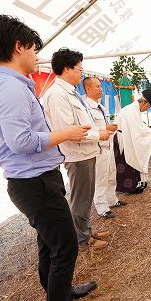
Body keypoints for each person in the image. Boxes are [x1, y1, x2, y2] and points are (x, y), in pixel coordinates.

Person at [0, 15, 103, 301]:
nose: (37, 56)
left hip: (36, 179)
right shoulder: (9, 87)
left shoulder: (11, 84)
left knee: (50, 244)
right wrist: (65, 134)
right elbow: (21, 141)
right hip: (33, 181)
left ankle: (58, 293)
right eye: (34, 49)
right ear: (18, 46)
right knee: (64, 246)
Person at [43, 48, 110, 251]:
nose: (82, 74)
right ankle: (82, 238)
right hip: (77, 155)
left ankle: (86, 230)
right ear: (66, 68)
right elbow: (68, 131)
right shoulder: (56, 95)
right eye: (79, 69)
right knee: (80, 198)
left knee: (86, 196)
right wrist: (99, 135)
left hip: (87, 152)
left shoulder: (69, 92)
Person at [83, 77, 126, 219]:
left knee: (111, 175)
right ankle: (102, 208)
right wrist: (105, 128)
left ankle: (112, 200)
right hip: (98, 147)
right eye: (97, 87)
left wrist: (111, 127)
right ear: (88, 89)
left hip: (108, 145)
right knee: (100, 178)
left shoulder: (100, 106)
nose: (100, 89)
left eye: (101, 86)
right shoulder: (85, 107)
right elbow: (89, 129)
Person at [115, 89, 151, 193]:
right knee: (129, 161)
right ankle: (131, 187)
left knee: (132, 159)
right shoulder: (132, 111)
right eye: (148, 106)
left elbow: (139, 127)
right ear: (143, 102)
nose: (147, 109)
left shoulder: (134, 110)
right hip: (124, 138)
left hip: (127, 136)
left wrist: (149, 131)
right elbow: (137, 131)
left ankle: (137, 183)